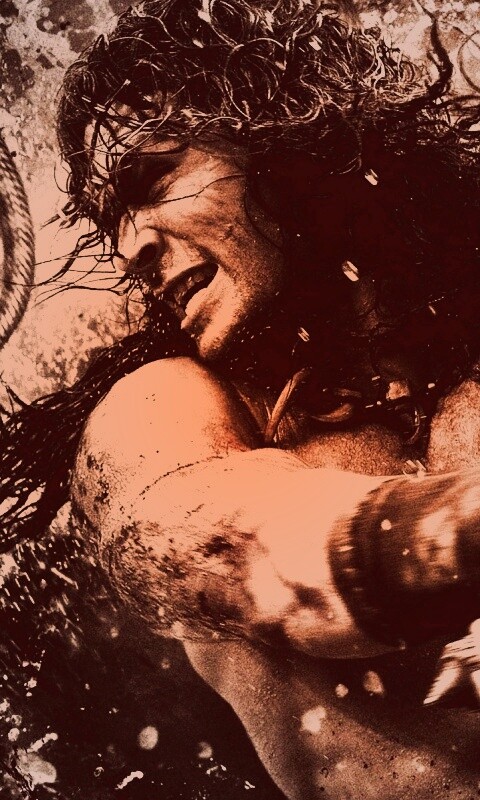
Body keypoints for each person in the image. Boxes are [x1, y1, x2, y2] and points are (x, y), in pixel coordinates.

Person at [2, 1, 480, 797]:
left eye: (151, 180)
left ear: (285, 132)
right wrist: (451, 531)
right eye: (112, 219)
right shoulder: (159, 410)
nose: (129, 246)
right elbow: (239, 548)